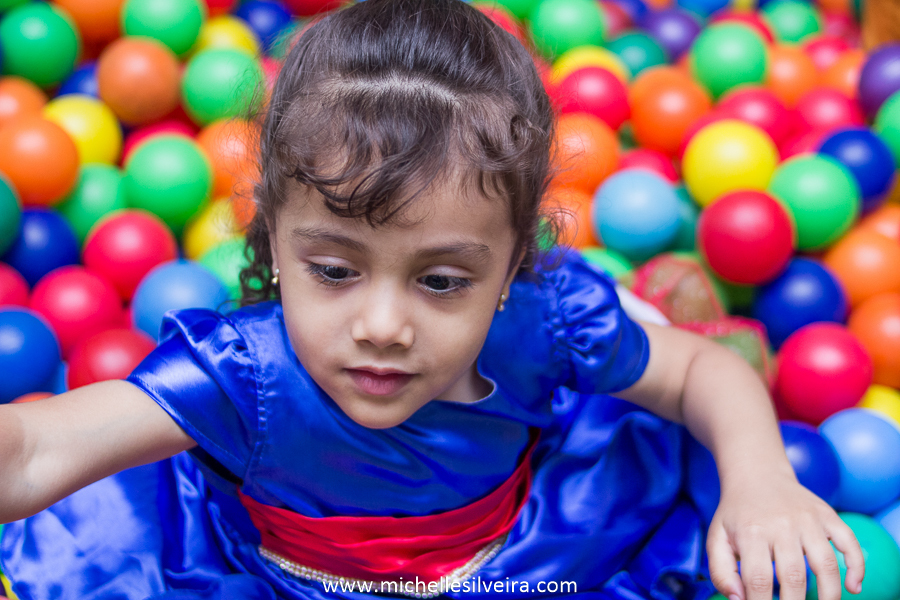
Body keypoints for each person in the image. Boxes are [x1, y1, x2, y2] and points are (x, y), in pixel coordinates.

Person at [0, 1, 865, 599]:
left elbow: (696, 375)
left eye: (442, 280)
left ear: (515, 264)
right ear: (271, 239)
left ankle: (645, 306)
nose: (382, 327)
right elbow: (34, 450)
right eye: (334, 272)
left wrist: (759, 482)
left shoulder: (543, 319)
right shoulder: (245, 376)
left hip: (526, 561)